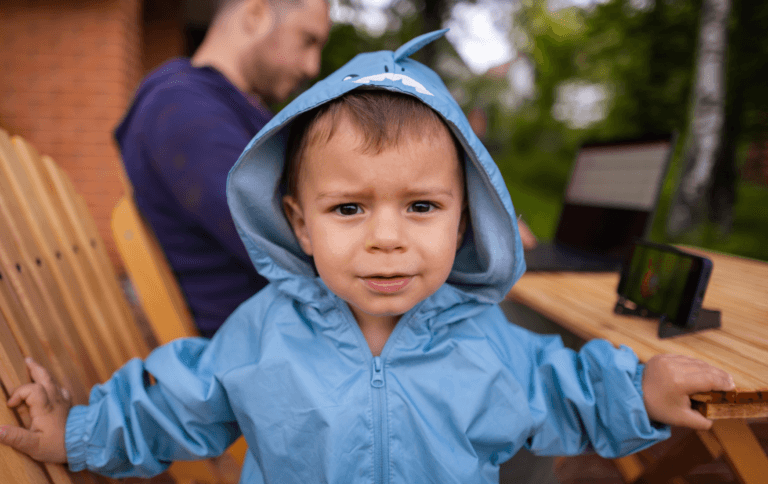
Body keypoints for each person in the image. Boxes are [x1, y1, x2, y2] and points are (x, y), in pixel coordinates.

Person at [0, 31, 734, 483]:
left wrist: (642, 389)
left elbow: (565, 387)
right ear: (301, 223)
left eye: (421, 206)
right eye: (349, 208)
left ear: (464, 221)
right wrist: (75, 429)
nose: (388, 237)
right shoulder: (264, 331)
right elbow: (173, 402)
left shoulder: (486, 341)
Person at [114, 0, 331, 337]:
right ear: (256, 13)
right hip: (259, 355)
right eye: (307, 40)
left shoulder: (227, 108)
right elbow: (284, 240)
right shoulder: (182, 107)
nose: (312, 66)